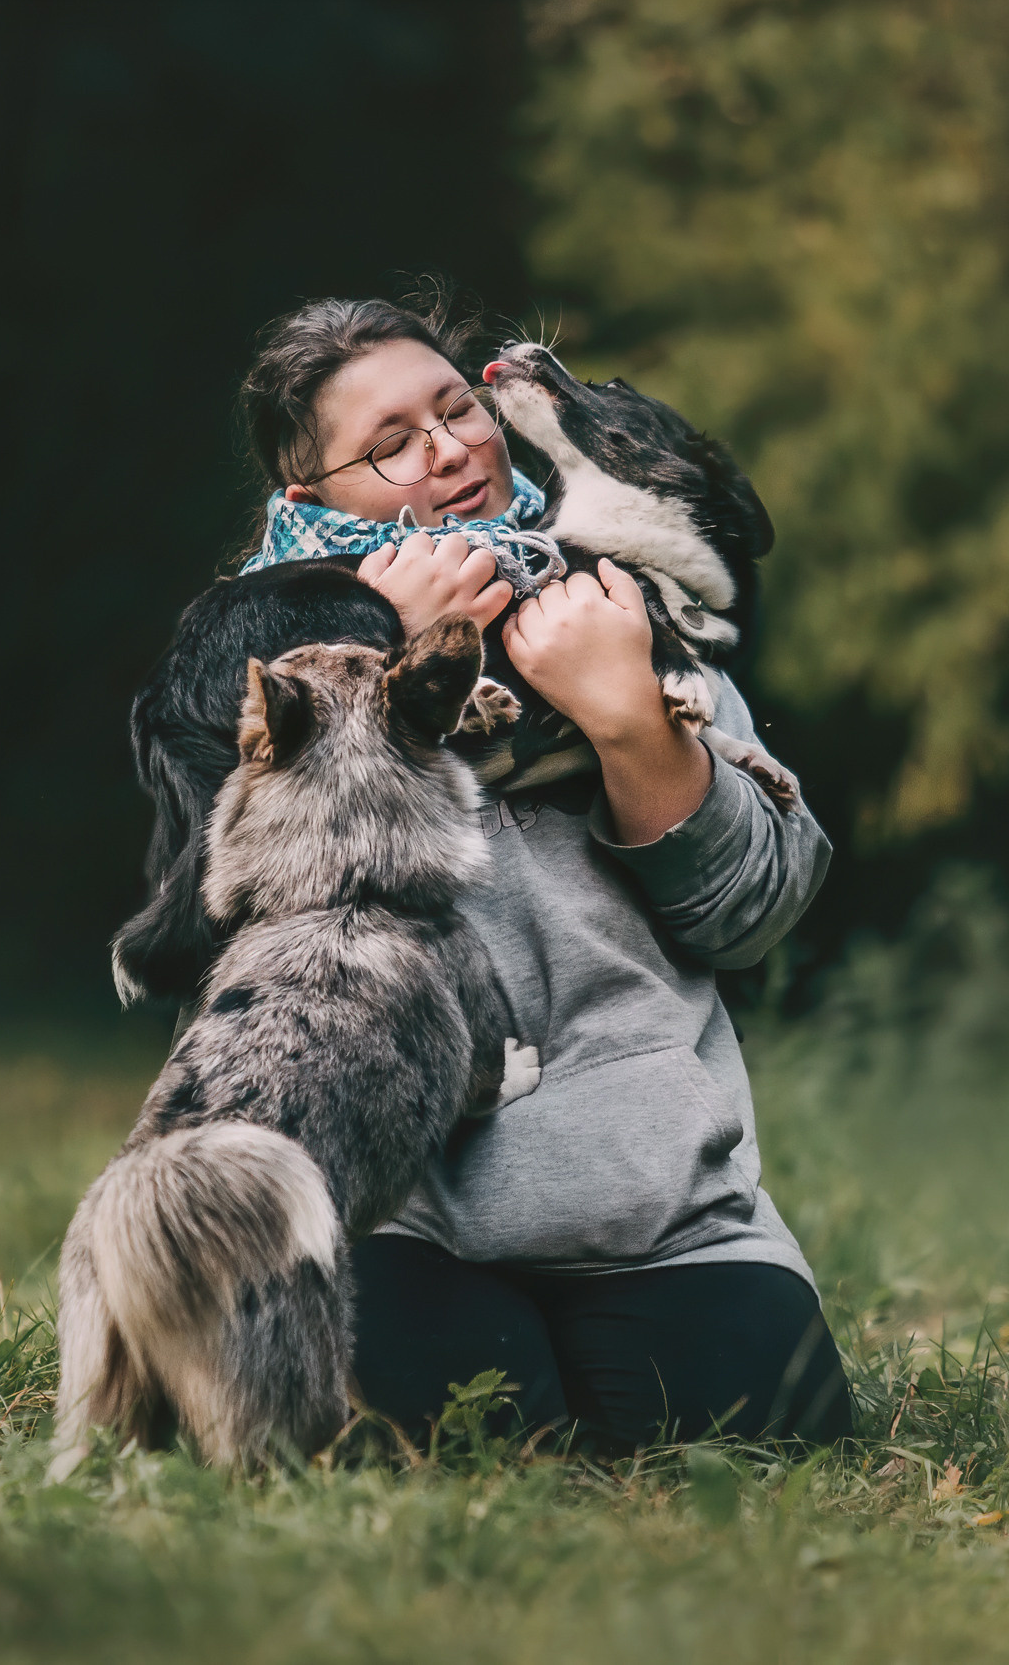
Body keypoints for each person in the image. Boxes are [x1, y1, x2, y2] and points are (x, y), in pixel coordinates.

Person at [233, 293, 851, 1449]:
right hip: (383, 1197)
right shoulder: (259, 654)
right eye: (391, 443)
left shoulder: (623, 594)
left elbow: (753, 915)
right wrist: (376, 674)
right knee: (443, 1435)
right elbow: (220, 912)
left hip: (658, 1202)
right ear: (310, 502)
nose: (452, 448)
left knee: (782, 1429)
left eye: (456, 406)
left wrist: (629, 722)